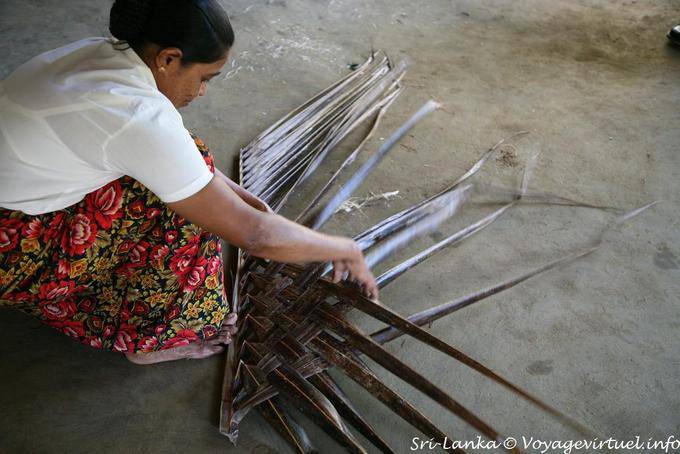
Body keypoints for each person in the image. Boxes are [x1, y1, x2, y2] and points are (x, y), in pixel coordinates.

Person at [0, 0, 378, 365]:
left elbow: (179, 160)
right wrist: (343, 248)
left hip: (15, 209)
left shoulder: (96, 55)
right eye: (204, 77)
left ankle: (113, 295)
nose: (201, 92)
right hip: (12, 253)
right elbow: (255, 237)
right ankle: (154, 337)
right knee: (184, 215)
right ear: (168, 58)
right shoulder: (138, 118)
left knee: (189, 160)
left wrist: (239, 198)